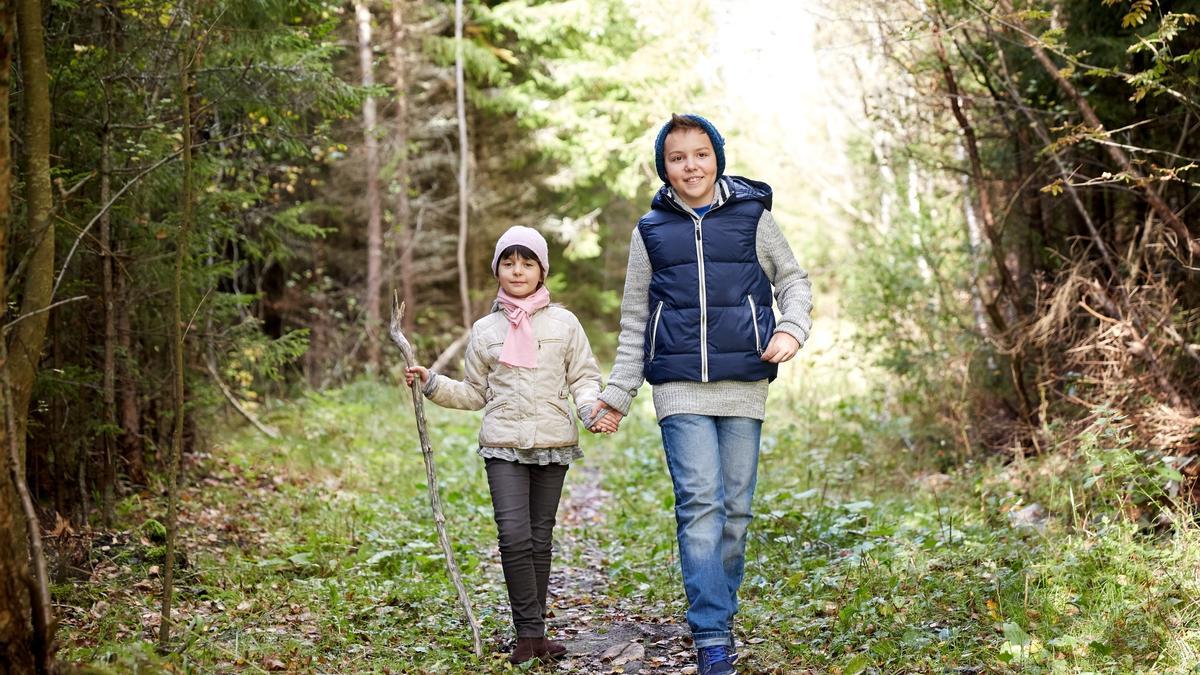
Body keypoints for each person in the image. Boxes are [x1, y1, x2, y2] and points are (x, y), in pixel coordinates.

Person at [591, 114, 813, 675]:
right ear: (663, 167)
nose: (690, 166)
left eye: (699, 154)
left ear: (717, 156)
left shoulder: (753, 218)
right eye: (676, 157)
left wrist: (791, 328)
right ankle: (712, 635)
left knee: (735, 511)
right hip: (679, 388)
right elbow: (635, 317)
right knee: (701, 507)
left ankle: (721, 612)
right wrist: (618, 394)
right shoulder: (651, 231)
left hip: (744, 382)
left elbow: (792, 280)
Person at [405, 226, 618, 664]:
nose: (517, 270)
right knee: (513, 536)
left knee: (540, 538)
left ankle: (538, 636)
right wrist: (432, 384)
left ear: (542, 270)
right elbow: (474, 392)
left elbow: (583, 377)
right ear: (497, 269)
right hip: (503, 443)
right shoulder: (485, 330)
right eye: (508, 262)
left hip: (553, 442)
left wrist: (589, 409)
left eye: (527, 262)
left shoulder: (565, 323)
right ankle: (527, 633)